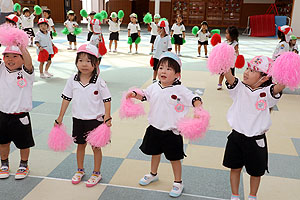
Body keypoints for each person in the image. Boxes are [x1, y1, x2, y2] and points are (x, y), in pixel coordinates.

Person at [127, 52, 203, 198]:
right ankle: (153, 174)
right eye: (161, 67)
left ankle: (178, 182)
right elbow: (144, 95)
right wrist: (134, 94)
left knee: (174, 158)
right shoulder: (154, 86)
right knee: (154, 153)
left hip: (172, 132)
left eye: (168, 69)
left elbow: (194, 98)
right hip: (154, 128)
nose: (163, 71)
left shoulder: (180, 90)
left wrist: (198, 105)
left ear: (177, 75)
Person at [222, 56, 285, 200]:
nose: (246, 72)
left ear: (263, 78)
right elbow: (228, 75)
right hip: (236, 136)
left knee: (256, 172)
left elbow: (280, 86)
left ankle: (252, 196)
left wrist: (287, 71)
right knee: (235, 168)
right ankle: (235, 195)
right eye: (247, 68)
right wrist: (222, 59)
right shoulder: (239, 87)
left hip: (256, 140)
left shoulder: (268, 93)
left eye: (253, 71)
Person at [55, 43, 112, 187]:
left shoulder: (99, 81)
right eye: (80, 60)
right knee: (80, 146)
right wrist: (60, 116)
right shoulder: (72, 80)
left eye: (88, 61)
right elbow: (66, 98)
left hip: (95, 121)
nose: (84, 64)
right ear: (76, 62)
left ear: (96, 63)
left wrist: (108, 116)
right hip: (78, 120)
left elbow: (107, 100)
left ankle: (96, 173)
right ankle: (80, 170)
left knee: (96, 148)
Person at [0, 45, 34, 180]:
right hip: (2, 114)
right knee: (3, 142)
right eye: (7, 56)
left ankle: (24, 164)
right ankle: (4, 163)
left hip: (21, 115)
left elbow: (29, 62)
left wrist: (22, 47)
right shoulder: (1, 68)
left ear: (22, 58)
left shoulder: (27, 72)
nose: (10, 59)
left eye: (15, 56)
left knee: (24, 143)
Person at [217, 26, 239, 90]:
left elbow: (237, 51)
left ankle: (232, 83)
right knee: (222, 73)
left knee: (231, 74)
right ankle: (219, 83)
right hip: (224, 61)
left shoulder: (235, 43)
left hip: (231, 62)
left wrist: (237, 57)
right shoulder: (225, 42)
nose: (225, 35)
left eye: (227, 33)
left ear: (232, 35)